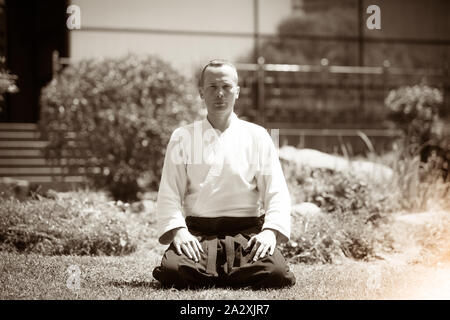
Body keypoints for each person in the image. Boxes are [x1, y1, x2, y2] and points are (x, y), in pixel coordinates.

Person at [152, 59, 296, 289]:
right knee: (172, 271)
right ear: (201, 92)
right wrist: (179, 232)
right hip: (198, 233)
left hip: (246, 232)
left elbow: (276, 191)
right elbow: (169, 191)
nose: (220, 93)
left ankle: (214, 272)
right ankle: (229, 272)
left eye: (227, 87)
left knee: (275, 273)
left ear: (237, 91)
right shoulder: (183, 137)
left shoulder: (258, 136)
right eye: (212, 87)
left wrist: (269, 232)